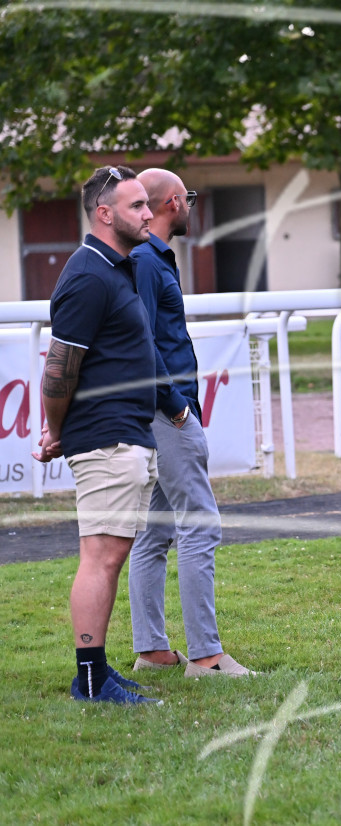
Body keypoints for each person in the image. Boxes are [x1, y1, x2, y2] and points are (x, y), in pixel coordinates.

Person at [34, 166, 161, 703]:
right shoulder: (88, 274)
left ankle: (98, 670)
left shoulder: (117, 267)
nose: (149, 214)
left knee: (111, 555)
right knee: (101, 557)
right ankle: (90, 679)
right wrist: (56, 430)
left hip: (127, 433)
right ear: (104, 214)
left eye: (148, 203)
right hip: (106, 438)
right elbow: (59, 368)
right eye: (137, 206)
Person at [126, 168, 255, 678]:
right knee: (200, 525)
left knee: (154, 533)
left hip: (162, 411)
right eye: (190, 198)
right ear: (173, 203)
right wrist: (176, 405)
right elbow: (140, 341)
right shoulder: (145, 261)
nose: (191, 206)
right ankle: (205, 656)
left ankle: (153, 651)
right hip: (167, 413)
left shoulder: (153, 259)